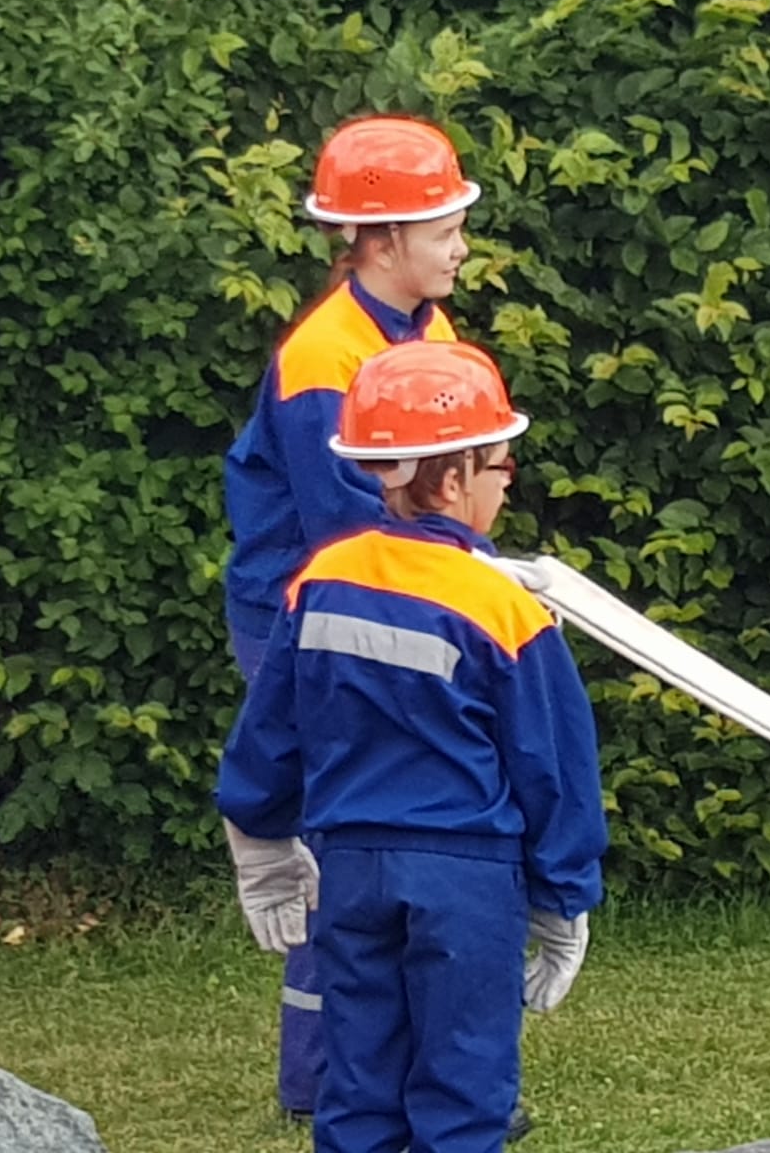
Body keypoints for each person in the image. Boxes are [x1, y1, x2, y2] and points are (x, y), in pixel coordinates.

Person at [216, 340, 608, 1153]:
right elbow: (555, 768)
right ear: (455, 477)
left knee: (358, 1088)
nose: (508, 484)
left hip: (352, 870)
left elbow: (271, 729)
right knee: (462, 1090)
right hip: (467, 878)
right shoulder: (502, 607)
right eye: (502, 466)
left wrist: (261, 841)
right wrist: (563, 899)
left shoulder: (323, 578)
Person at [223, 112, 511, 1129]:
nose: (462, 248)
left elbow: (433, 503)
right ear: (383, 239)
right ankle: (325, 1080)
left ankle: (410, 1073)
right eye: (445, 229)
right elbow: (350, 528)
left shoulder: (427, 333)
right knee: (339, 844)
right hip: (309, 615)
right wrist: (474, 594)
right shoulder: (324, 358)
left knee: (390, 830)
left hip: (384, 595)